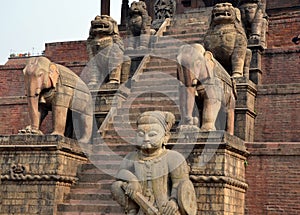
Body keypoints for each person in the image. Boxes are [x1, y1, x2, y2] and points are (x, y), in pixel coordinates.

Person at [111, 111, 197, 215]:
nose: (146, 139)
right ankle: (132, 210)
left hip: (165, 208)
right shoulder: (132, 157)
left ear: (166, 137)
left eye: (152, 135)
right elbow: (120, 173)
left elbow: (181, 184)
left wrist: (173, 202)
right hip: (141, 205)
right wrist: (132, 180)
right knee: (117, 185)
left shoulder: (174, 157)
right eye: (141, 134)